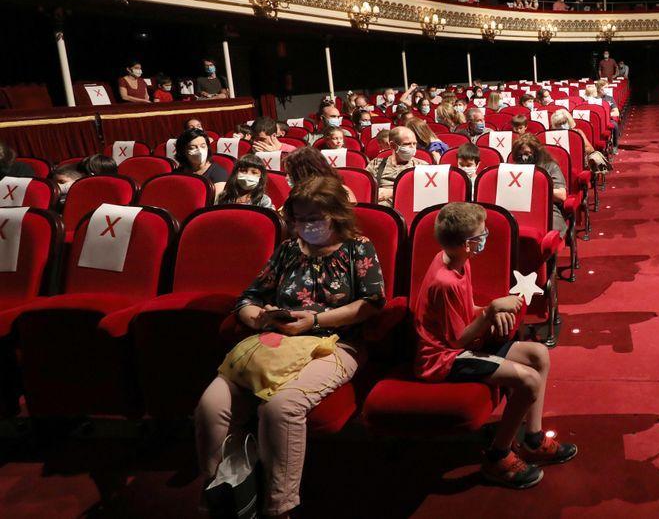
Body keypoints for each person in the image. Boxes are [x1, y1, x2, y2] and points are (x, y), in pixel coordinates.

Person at [195, 176, 385, 516]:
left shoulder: (358, 247)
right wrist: (260, 318)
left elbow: (370, 304)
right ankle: (225, 495)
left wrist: (313, 321)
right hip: (274, 341)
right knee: (211, 405)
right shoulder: (287, 250)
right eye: (299, 218)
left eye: (314, 218)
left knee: (280, 407)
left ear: (335, 215)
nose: (305, 226)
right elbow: (248, 298)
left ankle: (281, 506)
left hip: (335, 343)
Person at [410, 202, 577, 489]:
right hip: (442, 359)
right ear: (467, 244)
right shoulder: (444, 279)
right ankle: (498, 455)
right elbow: (455, 340)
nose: (486, 236)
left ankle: (533, 440)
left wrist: (490, 311)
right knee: (529, 380)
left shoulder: (457, 259)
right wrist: (490, 313)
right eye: (481, 234)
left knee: (538, 354)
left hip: (461, 343)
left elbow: (464, 311)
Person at [512, 135, 568, 235]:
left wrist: (536, 187)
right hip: (519, 208)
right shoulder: (513, 170)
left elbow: (561, 196)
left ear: (536, 152)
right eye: (520, 154)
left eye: (527, 153)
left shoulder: (550, 166)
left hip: (546, 209)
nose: (524, 157)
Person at [367, 126, 427, 203]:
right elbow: (364, 190)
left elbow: (427, 193)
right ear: (392, 145)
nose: (412, 148)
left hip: (409, 208)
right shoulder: (375, 164)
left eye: (414, 144)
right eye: (407, 144)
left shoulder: (423, 166)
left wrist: (393, 193)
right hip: (383, 210)